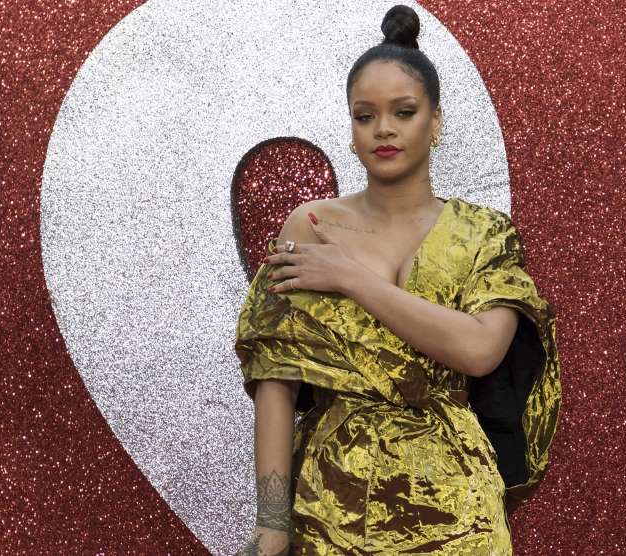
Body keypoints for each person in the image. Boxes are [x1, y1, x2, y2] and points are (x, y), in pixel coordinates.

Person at [234, 5, 562, 555]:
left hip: (459, 504)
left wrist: (352, 278)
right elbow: (275, 380)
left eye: (403, 112)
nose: (383, 129)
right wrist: (272, 524)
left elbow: (480, 350)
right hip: (333, 498)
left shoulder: (482, 232)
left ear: (435, 122)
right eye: (365, 116)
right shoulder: (311, 226)